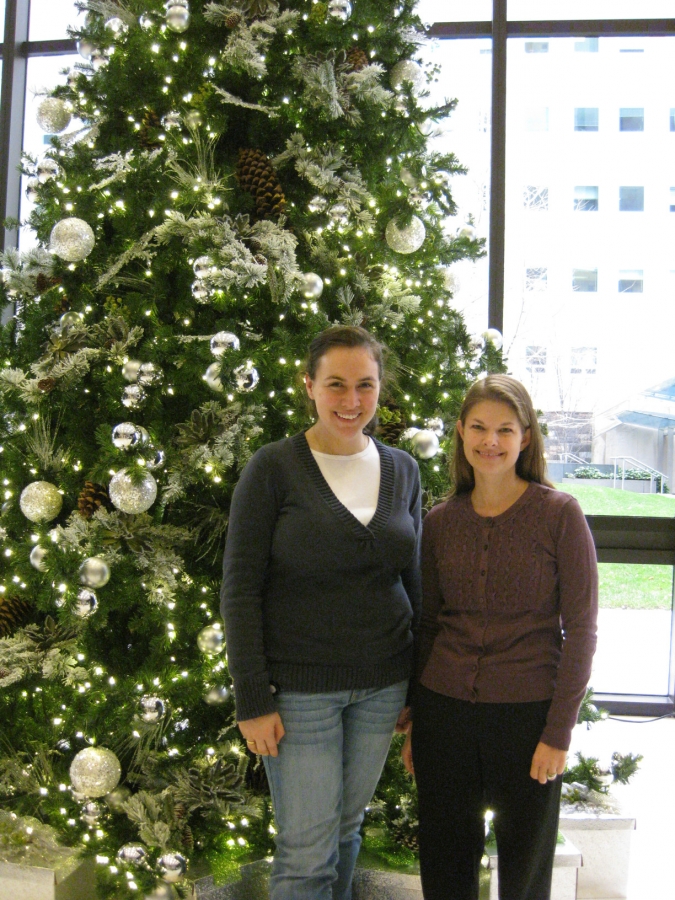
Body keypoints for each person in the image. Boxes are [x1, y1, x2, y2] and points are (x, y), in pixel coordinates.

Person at [221, 325, 422, 900]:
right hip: (300, 692)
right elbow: (240, 589)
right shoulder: (273, 468)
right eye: (336, 384)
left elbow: (416, 583)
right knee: (307, 855)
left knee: (346, 830)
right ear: (309, 385)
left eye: (365, 385)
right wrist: (252, 698)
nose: (351, 400)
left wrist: (418, 690)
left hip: (384, 685)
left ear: (380, 389)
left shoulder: (404, 469)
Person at [402, 374, 598, 900]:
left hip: (527, 718)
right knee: (445, 865)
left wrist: (558, 733)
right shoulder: (440, 522)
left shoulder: (560, 514)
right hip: (444, 715)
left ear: (525, 437)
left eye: (505, 430)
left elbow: (581, 631)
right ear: (461, 432)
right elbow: (428, 625)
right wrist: (415, 718)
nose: (490, 441)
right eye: (479, 428)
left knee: (526, 870)